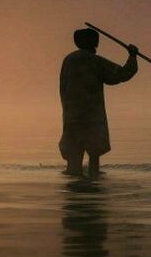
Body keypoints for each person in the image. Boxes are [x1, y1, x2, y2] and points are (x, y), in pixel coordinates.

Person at [59, 27, 138, 178]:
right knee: (94, 155)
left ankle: (75, 184)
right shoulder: (93, 61)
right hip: (91, 116)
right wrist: (132, 56)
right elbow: (121, 74)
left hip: (71, 115)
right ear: (94, 43)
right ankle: (94, 180)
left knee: (73, 159)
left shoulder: (68, 60)